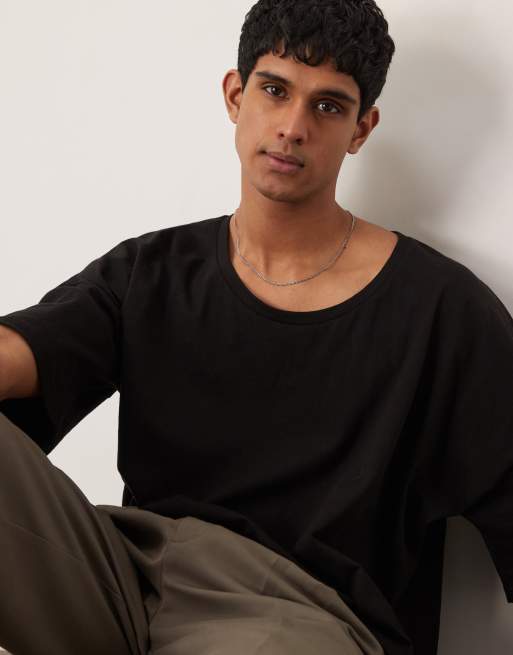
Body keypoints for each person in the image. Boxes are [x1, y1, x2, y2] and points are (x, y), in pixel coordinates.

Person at [1, 1, 513, 654]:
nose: (293, 127)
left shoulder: (441, 311)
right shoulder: (152, 271)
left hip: (303, 616)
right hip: (132, 579)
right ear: (235, 96)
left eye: (327, 106)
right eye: (274, 91)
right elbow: (22, 352)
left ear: (361, 128)